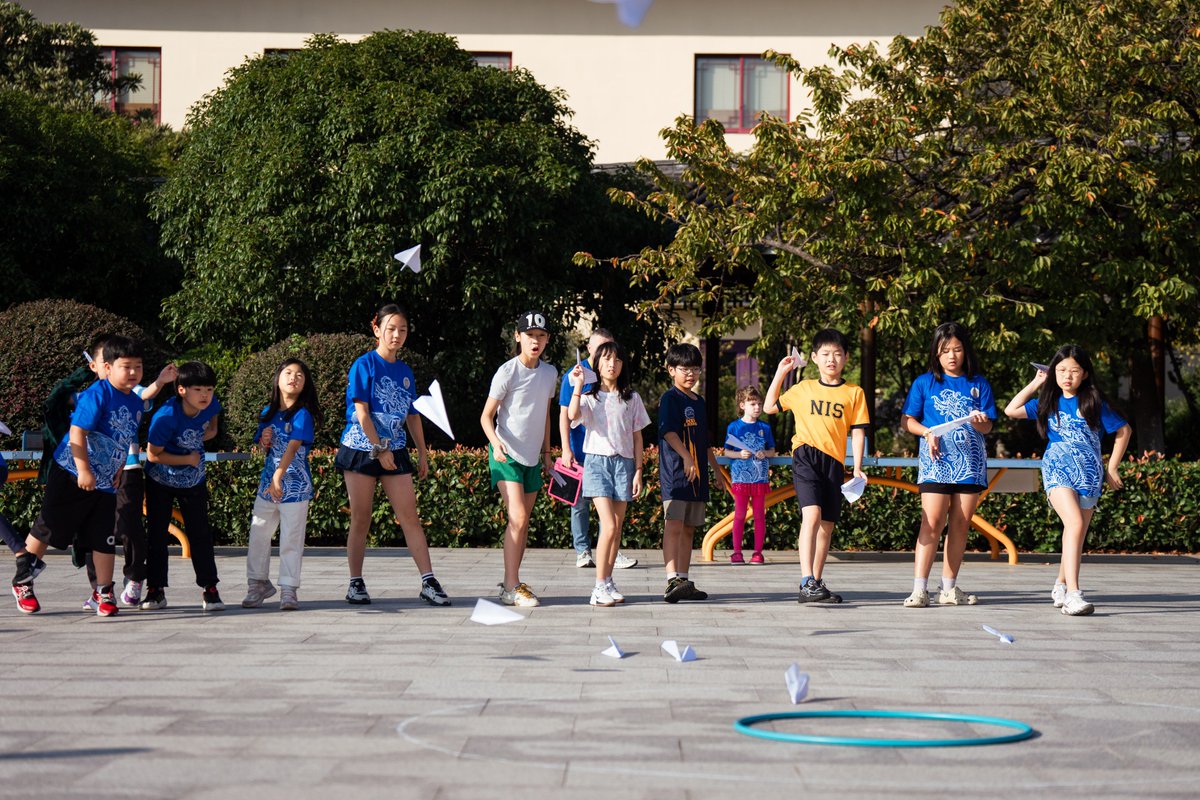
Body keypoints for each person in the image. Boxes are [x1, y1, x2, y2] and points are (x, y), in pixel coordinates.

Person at [10, 335, 147, 615]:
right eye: (126, 366)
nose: (133, 372)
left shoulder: (135, 402)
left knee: (104, 538)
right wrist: (83, 469)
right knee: (47, 528)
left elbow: (124, 438)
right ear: (107, 367)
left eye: (138, 366)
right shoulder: (98, 393)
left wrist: (119, 468)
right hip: (71, 473)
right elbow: (77, 432)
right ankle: (23, 581)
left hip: (105, 483)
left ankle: (103, 592)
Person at [335, 304, 449, 608]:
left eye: (403, 329)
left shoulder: (405, 371)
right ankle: (355, 582)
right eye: (391, 329)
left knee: (409, 516)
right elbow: (361, 412)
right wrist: (379, 449)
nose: (397, 335)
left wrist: (422, 452)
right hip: (361, 448)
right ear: (377, 330)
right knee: (361, 517)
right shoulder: (364, 364)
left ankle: (429, 581)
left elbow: (412, 414)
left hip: (395, 449)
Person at [1004, 344, 1131, 616]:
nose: (1067, 376)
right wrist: (1037, 382)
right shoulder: (1048, 402)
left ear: (1084, 373)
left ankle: (1060, 586)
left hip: (1089, 473)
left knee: (1076, 533)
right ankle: (1074, 595)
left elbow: (1124, 430)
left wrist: (1112, 467)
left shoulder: (1094, 402)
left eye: (1073, 371)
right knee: (1074, 523)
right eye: (1061, 370)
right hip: (1057, 468)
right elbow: (1011, 410)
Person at [764, 329, 870, 604]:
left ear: (846, 357)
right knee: (811, 515)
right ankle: (806, 580)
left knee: (827, 525)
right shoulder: (803, 388)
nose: (831, 359)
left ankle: (816, 584)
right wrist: (781, 373)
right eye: (825, 354)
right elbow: (769, 407)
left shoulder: (854, 393)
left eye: (837, 354)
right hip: (806, 456)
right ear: (814, 358)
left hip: (834, 463)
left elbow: (858, 431)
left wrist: (857, 466)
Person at [899, 322, 995, 608]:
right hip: (936, 462)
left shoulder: (979, 384)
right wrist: (927, 432)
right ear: (936, 353)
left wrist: (981, 422)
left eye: (957, 349)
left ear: (966, 351)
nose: (951, 356)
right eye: (945, 351)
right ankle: (920, 589)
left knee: (961, 525)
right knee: (932, 522)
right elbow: (907, 420)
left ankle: (949, 588)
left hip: (970, 464)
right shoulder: (924, 382)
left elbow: (988, 426)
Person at [81, 349, 176, 611]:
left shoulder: (129, 392)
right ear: (97, 367)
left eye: (133, 366)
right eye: (109, 363)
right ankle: (99, 589)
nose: (129, 371)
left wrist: (160, 381)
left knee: (128, 524)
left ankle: (134, 576)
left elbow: (145, 395)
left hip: (128, 469)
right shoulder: (90, 396)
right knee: (94, 530)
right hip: (97, 472)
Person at [481, 310, 558, 607]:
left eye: (541, 336)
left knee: (523, 523)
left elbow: (545, 415)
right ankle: (513, 586)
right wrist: (496, 445)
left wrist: (547, 454)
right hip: (506, 454)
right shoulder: (507, 372)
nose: (535, 341)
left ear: (547, 339)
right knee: (518, 517)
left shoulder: (550, 374)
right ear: (518, 337)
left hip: (532, 458)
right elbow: (486, 417)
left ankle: (509, 583)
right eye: (529, 336)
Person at [566, 340, 650, 606]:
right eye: (606, 359)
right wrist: (578, 385)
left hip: (625, 465)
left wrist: (638, 471)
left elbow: (638, 437)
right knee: (609, 525)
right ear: (597, 364)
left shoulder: (632, 398)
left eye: (617, 359)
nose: (612, 364)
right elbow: (572, 415)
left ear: (623, 365)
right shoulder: (590, 398)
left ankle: (608, 581)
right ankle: (598, 586)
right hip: (597, 463)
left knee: (617, 528)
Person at [243, 358, 322, 611]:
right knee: (258, 534)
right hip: (268, 487)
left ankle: (288, 589)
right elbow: (262, 447)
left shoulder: (302, 414)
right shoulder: (267, 412)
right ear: (278, 379)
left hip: (295, 488)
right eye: (288, 373)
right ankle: (257, 584)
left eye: (299, 375)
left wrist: (278, 476)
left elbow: (293, 446)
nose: (293, 378)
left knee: (291, 539)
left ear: (305, 383)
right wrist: (264, 440)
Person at [143, 361, 224, 611]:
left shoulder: (211, 404)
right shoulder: (165, 418)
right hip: (160, 479)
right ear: (181, 390)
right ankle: (155, 590)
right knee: (157, 534)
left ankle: (210, 588)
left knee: (200, 532)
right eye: (198, 389)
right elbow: (153, 455)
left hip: (193, 480)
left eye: (209, 389)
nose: (205, 395)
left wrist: (200, 439)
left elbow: (213, 428)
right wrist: (187, 459)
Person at [558, 328, 637, 571]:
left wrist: (638, 468)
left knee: (611, 513)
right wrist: (566, 449)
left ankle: (611, 552)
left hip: (616, 455)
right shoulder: (575, 374)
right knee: (579, 504)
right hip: (583, 452)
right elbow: (566, 414)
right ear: (590, 349)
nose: (609, 357)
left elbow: (635, 431)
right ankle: (583, 551)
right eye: (602, 349)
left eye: (612, 350)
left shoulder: (623, 388)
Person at [658, 343, 719, 603]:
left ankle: (684, 580)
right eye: (685, 369)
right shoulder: (670, 399)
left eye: (695, 369)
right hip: (676, 474)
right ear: (671, 370)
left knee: (689, 528)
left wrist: (716, 471)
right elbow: (668, 432)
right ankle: (671, 579)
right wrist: (686, 457)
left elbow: (704, 441)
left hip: (697, 476)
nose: (691, 374)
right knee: (673, 525)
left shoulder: (699, 401)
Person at [723, 385, 776, 564]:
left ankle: (758, 553)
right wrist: (739, 454)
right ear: (742, 405)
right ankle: (736, 552)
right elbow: (727, 451)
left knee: (759, 515)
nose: (757, 407)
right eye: (753, 404)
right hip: (740, 478)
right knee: (739, 514)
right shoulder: (734, 427)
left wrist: (764, 453)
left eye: (759, 404)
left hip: (760, 478)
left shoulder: (765, 427)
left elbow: (772, 451)